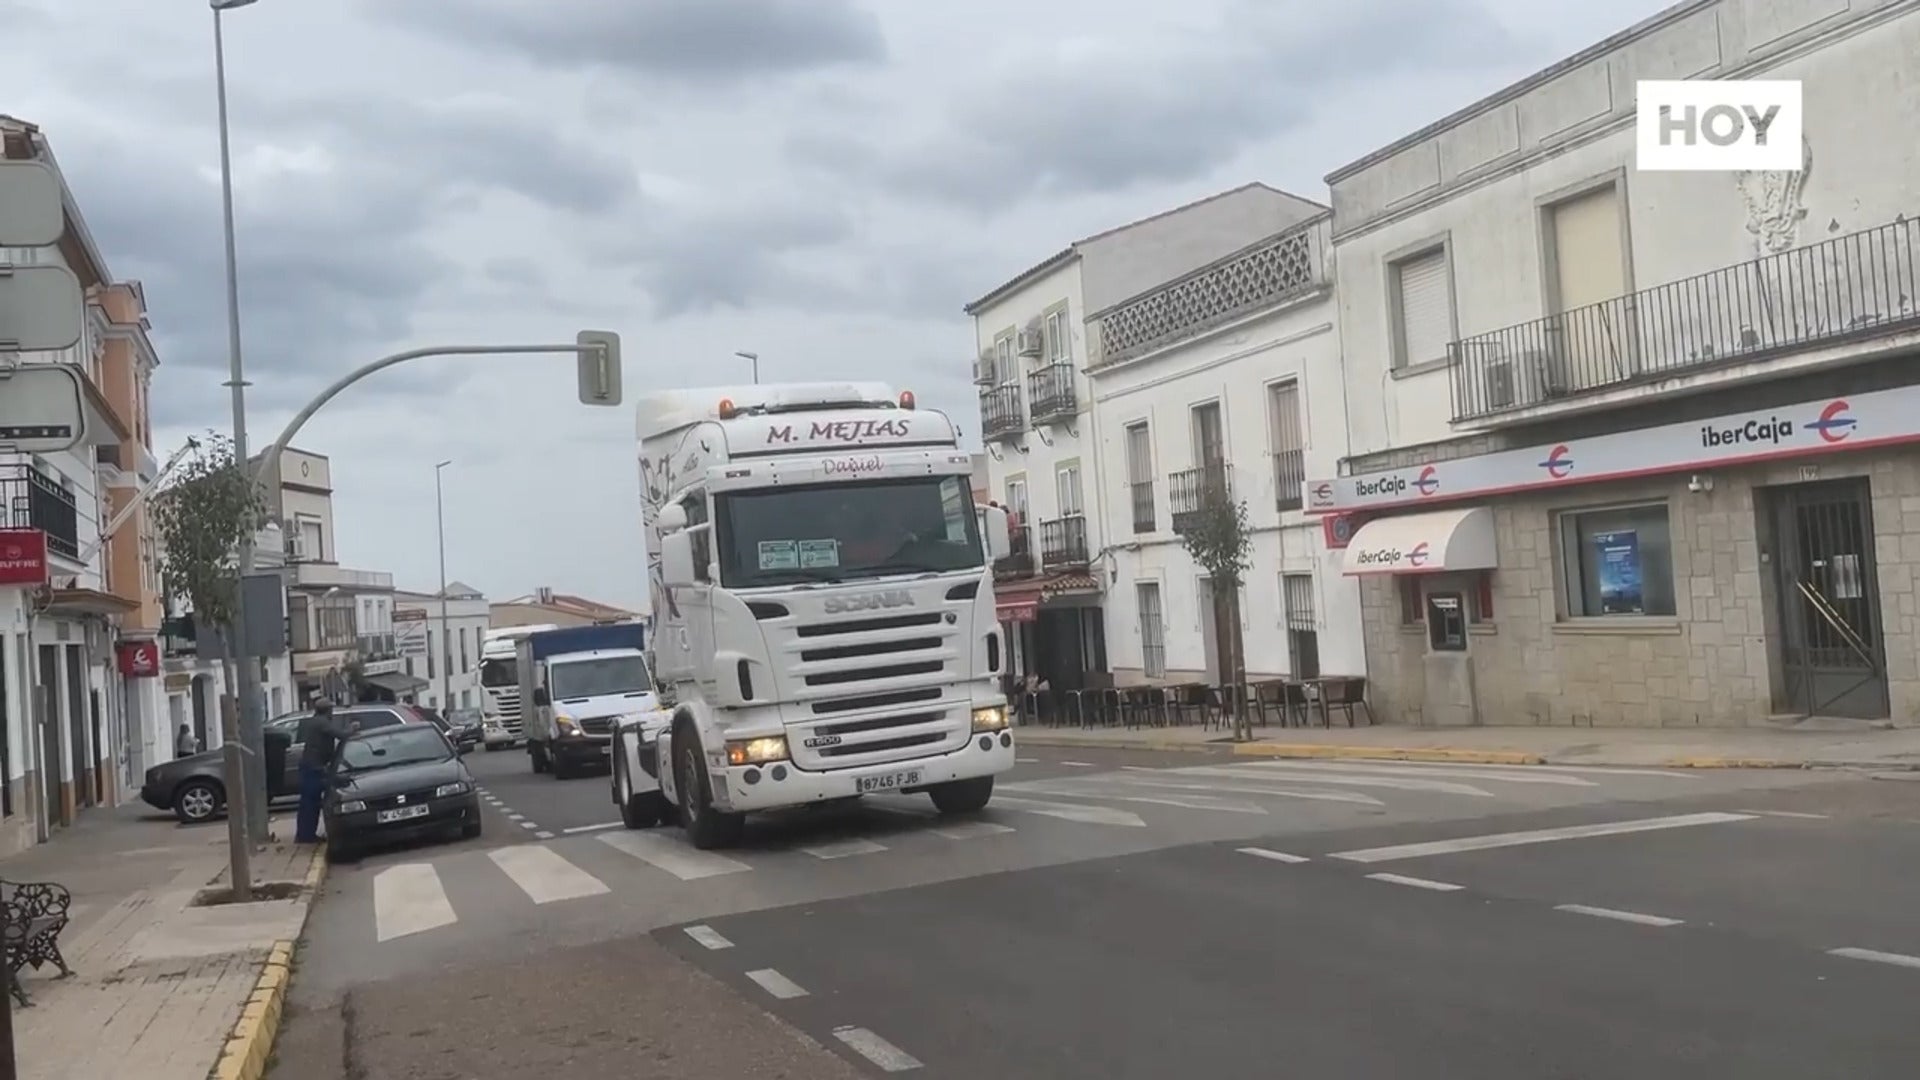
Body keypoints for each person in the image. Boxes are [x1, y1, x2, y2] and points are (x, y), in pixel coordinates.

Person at [294, 700, 355, 844]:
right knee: (310, 803)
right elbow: (340, 734)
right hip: (313, 768)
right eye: (331, 709)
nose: (332, 712)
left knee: (308, 803)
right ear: (328, 710)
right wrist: (352, 729)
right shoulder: (321, 722)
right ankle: (306, 836)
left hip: (313, 767)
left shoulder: (315, 721)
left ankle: (304, 834)